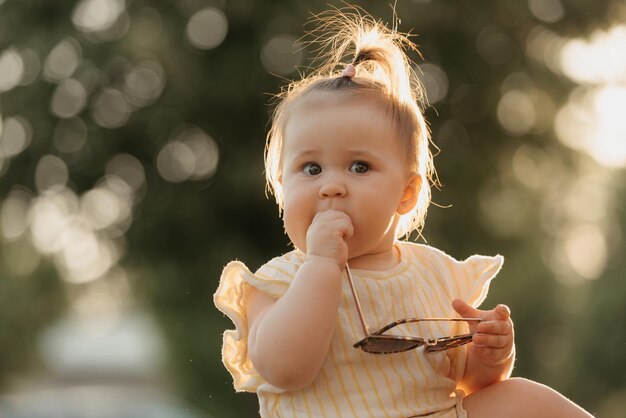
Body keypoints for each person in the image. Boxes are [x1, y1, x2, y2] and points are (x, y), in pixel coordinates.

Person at [214, 9, 593, 418]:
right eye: (311, 168)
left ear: (406, 194)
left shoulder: (436, 276)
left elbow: (467, 384)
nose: (331, 186)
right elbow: (285, 369)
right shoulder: (275, 283)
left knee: (521, 398)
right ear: (283, 186)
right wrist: (322, 264)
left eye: (359, 167)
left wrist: (492, 355)